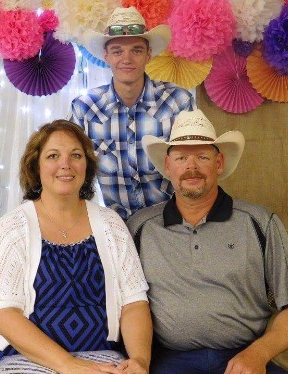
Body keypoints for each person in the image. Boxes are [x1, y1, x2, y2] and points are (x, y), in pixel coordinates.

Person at [126, 109, 288, 374]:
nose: (192, 167)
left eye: (202, 157)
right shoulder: (140, 228)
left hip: (244, 355)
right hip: (171, 362)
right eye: (181, 158)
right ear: (167, 165)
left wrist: (258, 354)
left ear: (219, 163)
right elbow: (124, 305)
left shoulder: (259, 222)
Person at [0, 120, 153, 374]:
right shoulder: (13, 226)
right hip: (14, 360)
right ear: (36, 167)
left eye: (75, 155)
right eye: (53, 156)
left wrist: (140, 360)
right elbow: (2, 317)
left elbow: (134, 303)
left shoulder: (111, 224)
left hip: (99, 356)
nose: (65, 164)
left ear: (87, 165)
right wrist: (70, 366)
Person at [69, 6, 196, 220]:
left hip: (171, 222)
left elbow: (194, 168)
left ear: (148, 55)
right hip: (114, 226)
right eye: (117, 51)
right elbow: (71, 171)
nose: (126, 59)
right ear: (106, 56)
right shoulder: (84, 108)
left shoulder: (178, 102)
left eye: (136, 50)